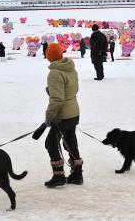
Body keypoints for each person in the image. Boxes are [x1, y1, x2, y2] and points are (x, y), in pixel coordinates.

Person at [43, 43, 83, 188]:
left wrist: (49, 115)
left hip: (62, 115)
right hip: (74, 112)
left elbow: (58, 99)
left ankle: (59, 176)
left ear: (49, 56)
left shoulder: (54, 73)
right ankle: (77, 174)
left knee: (51, 143)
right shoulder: (71, 68)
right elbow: (70, 91)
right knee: (70, 142)